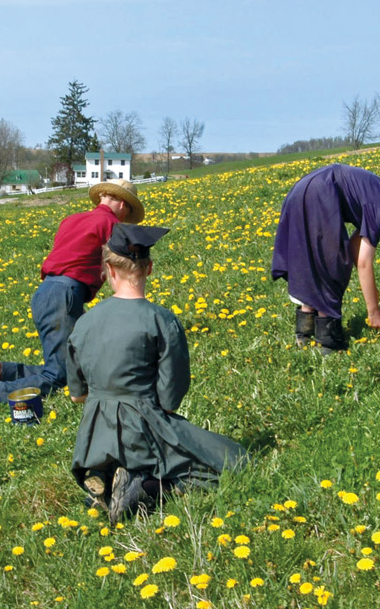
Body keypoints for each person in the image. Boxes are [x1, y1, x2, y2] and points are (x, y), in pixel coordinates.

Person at [67, 223, 247, 524]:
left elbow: (77, 395)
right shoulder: (161, 320)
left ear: (110, 271)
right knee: (232, 460)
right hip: (144, 423)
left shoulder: (83, 324)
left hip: (93, 434)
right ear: (148, 268)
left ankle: (105, 477)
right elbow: (169, 399)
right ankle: (146, 486)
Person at [0, 179, 144, 428]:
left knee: (70, 363)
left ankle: (3, 371)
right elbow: (115, 266)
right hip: (65, 295)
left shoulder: (71, 219)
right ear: (122, 203)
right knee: (61, 375)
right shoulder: (112, 225)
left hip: (47, 291)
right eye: (128, 212)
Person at [271, 163, 380, 352]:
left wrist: (372, 291)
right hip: (320, 193)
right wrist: (373, 311)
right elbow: (364, 263)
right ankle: (328, 341)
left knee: (312, 262)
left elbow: (354, 246)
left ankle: (305, 331)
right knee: (332, 264)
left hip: (302, 189)